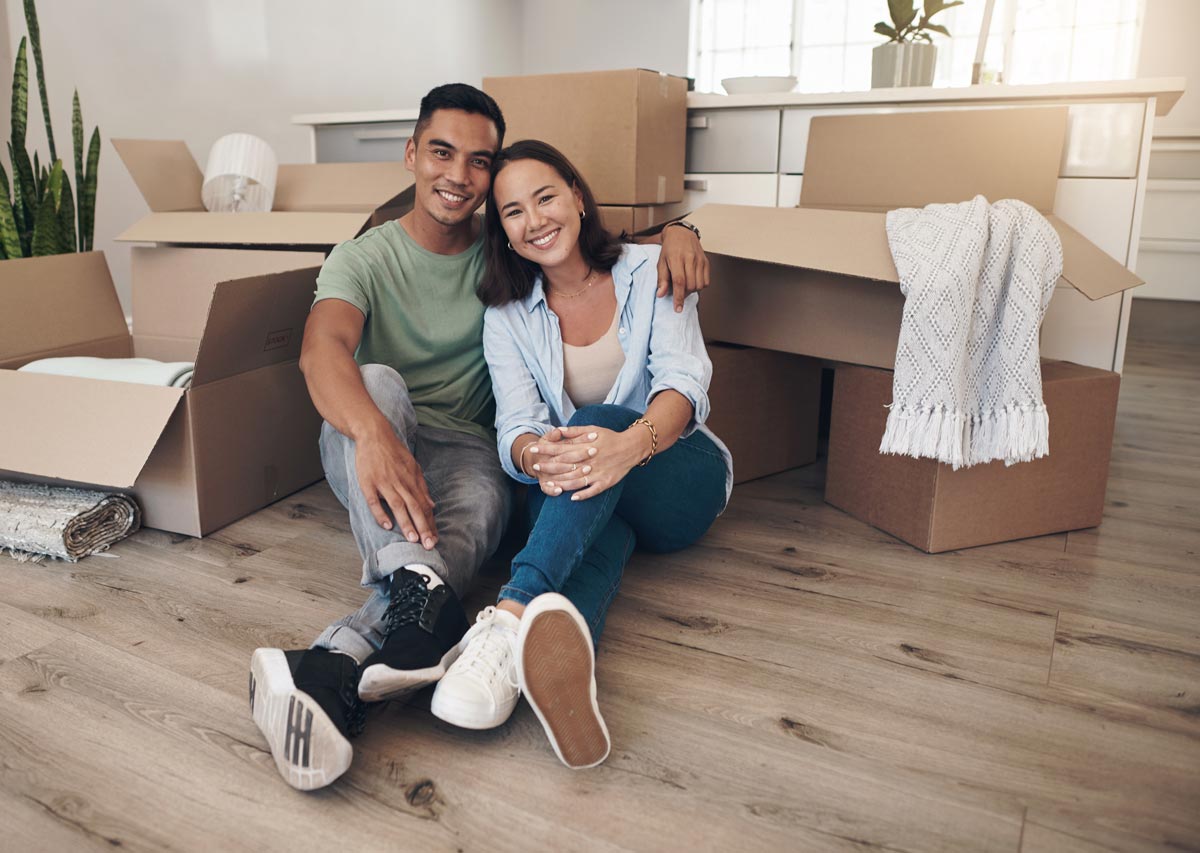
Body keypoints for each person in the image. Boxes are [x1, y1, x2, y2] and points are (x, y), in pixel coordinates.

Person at [247, 84, 709, 791]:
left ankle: (413, 642)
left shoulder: (562, 262)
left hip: (522, 457)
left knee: (553, 484)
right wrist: (380, 435)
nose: (458, 175)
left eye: (479, 162)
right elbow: (322, 353)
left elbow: (642, 317)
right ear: (411, 155)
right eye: (441, 153)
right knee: (381, 387)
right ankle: (479, 644)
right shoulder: (405, 269)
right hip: (397, 440)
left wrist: (685, 231)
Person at [426, 140, 732, 770]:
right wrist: (536, 457)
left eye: (545, 198)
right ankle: (550, 668)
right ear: (503, 233)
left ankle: (508, 617)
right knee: (593, 514)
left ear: (577, 196)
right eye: (513, 212)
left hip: (680, 477)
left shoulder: (652, 270)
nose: (535, 221)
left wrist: (627, 446)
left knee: (589, 432)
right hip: (595, 492)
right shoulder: (506, 315)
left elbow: (683, 384)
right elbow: (516, 424)